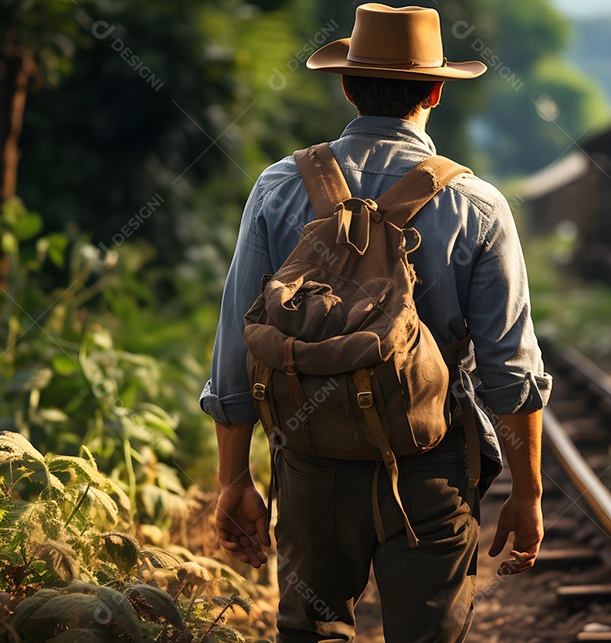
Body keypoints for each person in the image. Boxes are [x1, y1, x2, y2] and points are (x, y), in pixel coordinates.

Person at [199, 4, 552, 641]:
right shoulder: (477, 204)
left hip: (310, 461)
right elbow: (511, 371)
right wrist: (527, 493)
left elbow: (236, 344)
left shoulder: (278, 186)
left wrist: (234, 479)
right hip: (430, 464)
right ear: (437, 91)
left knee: (312, 631)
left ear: (347, 86)